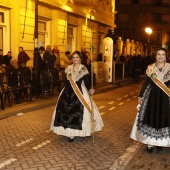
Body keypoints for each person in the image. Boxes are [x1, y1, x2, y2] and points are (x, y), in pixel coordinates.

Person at [50, 51, 103, 142]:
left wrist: (90, 89)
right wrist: (62, 92)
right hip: (67, 92)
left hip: (79, 93)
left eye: (77, 57)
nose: (75, 59)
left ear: (80, 59)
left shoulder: (83, 69)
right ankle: (70, 134)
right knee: (65, 112)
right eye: (73, 57)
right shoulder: (68, 68)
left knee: (77, 112)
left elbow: (87, 82)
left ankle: (77, 132)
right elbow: (65, 81)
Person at [130, 48, 170, 154]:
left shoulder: (169, 68)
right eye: (158, 54)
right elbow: (146, 82)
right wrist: (140, 95)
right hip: (152, 97)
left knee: (163, 119)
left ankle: (160, 142)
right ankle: (150, 143)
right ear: (155, 56)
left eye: (163, 54)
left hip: (165, 98)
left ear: (165, 56)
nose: (161, 56)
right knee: (151, 117)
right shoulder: (150, 68)